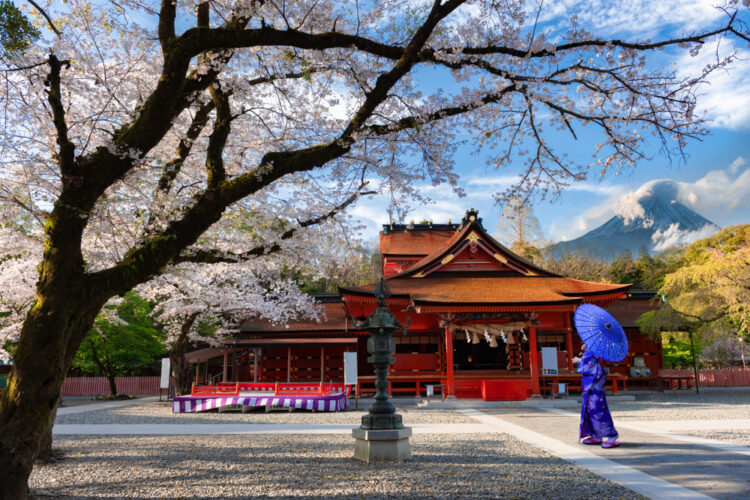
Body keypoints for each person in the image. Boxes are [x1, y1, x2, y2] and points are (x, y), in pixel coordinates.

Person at [577, 344, 620, 448]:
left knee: (599, 409)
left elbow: (587, 361)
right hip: (593, 382)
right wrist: (586, 349)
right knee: (590, 409)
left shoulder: (597, 346)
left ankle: (612, 436)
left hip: (595, 381)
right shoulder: (594, 346)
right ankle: (596, 436)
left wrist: (578, 360)